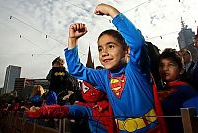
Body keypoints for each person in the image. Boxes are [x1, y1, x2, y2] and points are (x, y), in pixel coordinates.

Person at [64, 3, 162, 133]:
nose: (104, 52)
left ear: (126, 50)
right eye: (100, 49)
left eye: (110, 46)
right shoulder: (104, 76)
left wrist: (112, 12)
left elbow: (138, 43)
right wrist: (72, 40)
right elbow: (76, 70)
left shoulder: (136, 69)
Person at [26, 81, 117, 133]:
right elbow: (64, 110)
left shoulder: (117, 100)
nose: (93, 91)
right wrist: (41, 111)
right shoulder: (86, 107)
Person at [158, 48, 198, 133]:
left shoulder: (186, 90)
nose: (165, 69)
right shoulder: (159, 90)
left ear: (181, 70)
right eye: (162, 65)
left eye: (171, 65)